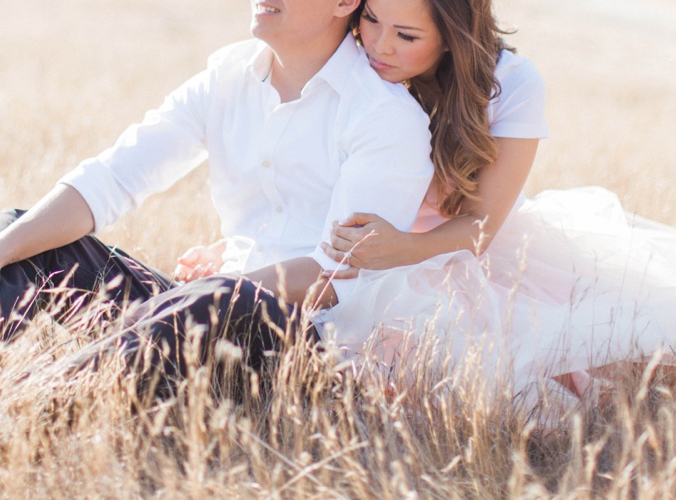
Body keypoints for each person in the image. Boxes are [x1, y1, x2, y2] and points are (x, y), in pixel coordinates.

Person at [176, 0, 676, 405]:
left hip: (454, 249)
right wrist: (237, 247)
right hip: (365, 251)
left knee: (580, 361)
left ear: (451, 39)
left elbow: (482, 225)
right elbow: (304, 187)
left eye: (407, 36)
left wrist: (404, 249)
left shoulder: (511, 83)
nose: (379, 45)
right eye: (370, 20)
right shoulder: (345, 64)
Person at [0, 0, 434, 390]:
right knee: (19, 232)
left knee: (226, 294)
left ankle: (16, 405)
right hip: (197, 313)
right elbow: (114, 176)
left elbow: (334, 275)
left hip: (302, 350)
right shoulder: (228, 75)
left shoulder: (384, 117)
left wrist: (191, 300)